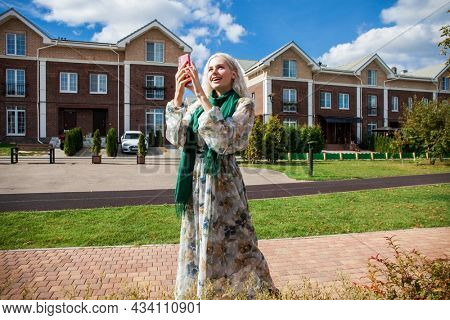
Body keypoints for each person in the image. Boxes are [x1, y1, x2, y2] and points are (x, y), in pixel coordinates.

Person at [165, 52, 278, 299]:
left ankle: (251, 298)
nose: (213, 72)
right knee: (199, 243)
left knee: (238, 244)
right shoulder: (194, 108)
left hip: (224, 186)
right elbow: (177, 138)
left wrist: (203, 97)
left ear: (234, 73)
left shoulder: (243, 105)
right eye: (209, 69)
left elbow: (226, 140)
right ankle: (203, 298)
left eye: (220, 68)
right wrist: (178, 95)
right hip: (196, 184)